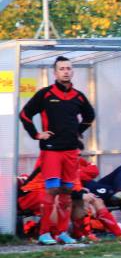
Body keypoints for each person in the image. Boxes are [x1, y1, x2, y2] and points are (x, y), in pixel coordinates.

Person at [19, 56, 95, 245]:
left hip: (71, 152)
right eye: (62, 69)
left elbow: (89, 116)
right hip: (51, 151)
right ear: (55, 72)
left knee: (67, 192)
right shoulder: (45, 94)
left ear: (72, 71)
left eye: (69, 68)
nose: (66, 71)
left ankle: (62, 233)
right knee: (51, 190)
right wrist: (37, 135)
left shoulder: (78, 96)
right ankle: (44, 234)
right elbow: (24, 114)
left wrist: (77, 132)